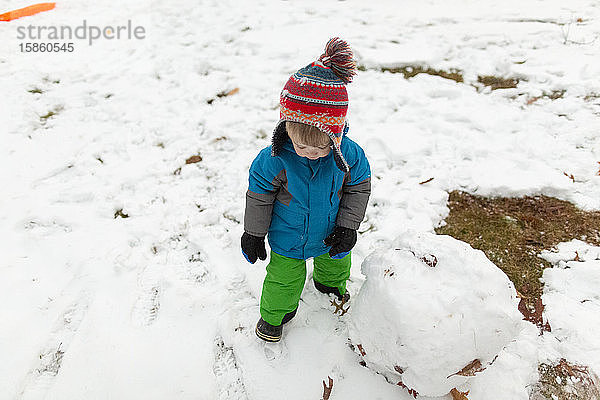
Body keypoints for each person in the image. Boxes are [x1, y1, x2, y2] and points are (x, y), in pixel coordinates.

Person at [241, 37, 371, 342]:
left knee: (337, 262)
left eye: (320, 147)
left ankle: (330, 286)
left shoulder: (349, 154)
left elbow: (358, 188)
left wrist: (348, 227)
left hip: (332, 231)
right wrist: (254, 232)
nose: (309, 153)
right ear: (285, 129)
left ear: (336, 134)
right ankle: (275, 315)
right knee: (283, 279)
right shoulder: (274, 159)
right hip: (289, 236)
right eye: (301, 145)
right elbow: (258, 196)